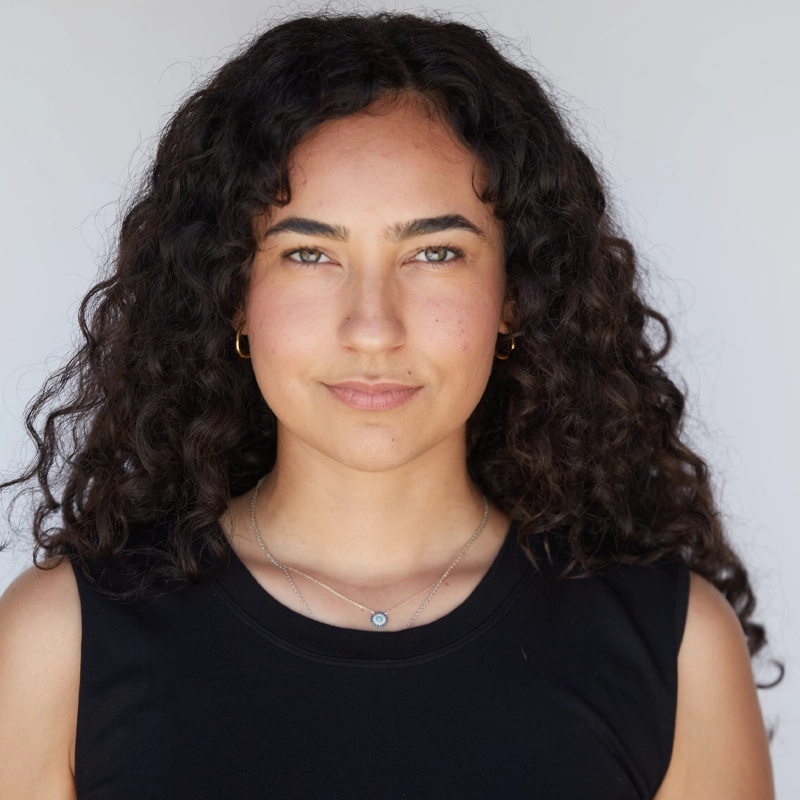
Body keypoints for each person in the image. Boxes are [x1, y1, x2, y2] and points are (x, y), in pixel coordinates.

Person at [0, 9, 779, 799]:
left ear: (516, 292)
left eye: (435, 253)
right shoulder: (58, 644)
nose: (373, 328)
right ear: (231, 292)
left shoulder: (673, 645)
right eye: (309, 253)